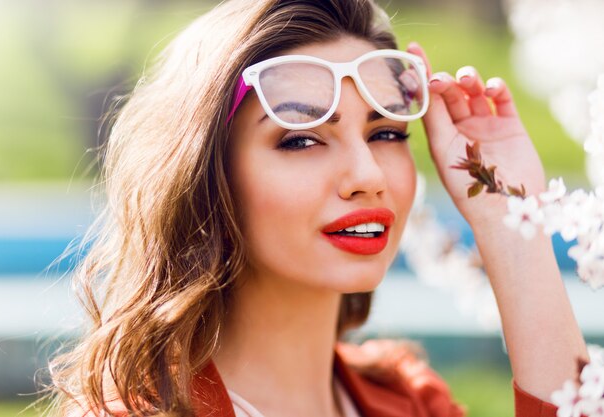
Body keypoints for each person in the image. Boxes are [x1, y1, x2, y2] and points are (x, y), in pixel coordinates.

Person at [45, 1, 590, 416]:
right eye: (301, 140)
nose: (367, 176)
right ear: (207, 176)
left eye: (385, 132)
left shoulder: (411, 400)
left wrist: (512, 218)